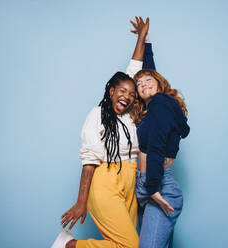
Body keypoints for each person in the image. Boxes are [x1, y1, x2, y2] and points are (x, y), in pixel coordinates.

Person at [51, 17, 151, 248]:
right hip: (106, 180)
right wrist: (81, 202)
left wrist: (141, 39)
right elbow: (89, 161)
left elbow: (133, 70)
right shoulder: (97, 115)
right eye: (122, 91)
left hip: (131, 179)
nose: (127, 96)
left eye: (132, 94)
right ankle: (70, 245)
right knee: (131, 246)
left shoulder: (129, 114)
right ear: (111, 90)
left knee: (119, 243)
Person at [131, 59, 190, 247]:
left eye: (148, 80)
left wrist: (153, 188)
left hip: (158, 186)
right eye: (138, 84)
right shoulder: (154, 109)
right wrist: (145, 41)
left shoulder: (159, 102)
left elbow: (156, 145)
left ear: (159, 83)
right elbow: (149, 74)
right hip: (147, 184)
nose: (143, 85)